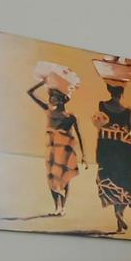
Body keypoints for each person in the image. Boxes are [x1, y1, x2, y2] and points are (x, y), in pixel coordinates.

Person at [93, 82, 131, 234]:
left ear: (109, 90)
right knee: (126, 183)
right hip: (125, 152)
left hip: (107, 150)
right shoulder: (128, 112)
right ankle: (120, 213)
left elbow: (99, 130)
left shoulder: (102, 106)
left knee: (112, 182)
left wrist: (98, 153)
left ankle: (118, 218)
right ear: (122, 93)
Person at [25, 79, 84, 216]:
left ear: (62, 99)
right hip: (52, 149)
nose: (51, 98)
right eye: (51, 95)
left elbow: (79, 135)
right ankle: (57, 206)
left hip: (66, 149)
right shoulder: (48, 110)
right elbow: (30, 92)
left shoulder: (71, 116)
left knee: (65, 177)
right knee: (51, 177)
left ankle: (62, 207)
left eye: (54, 96)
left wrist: (84, 155)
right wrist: (43, 82)